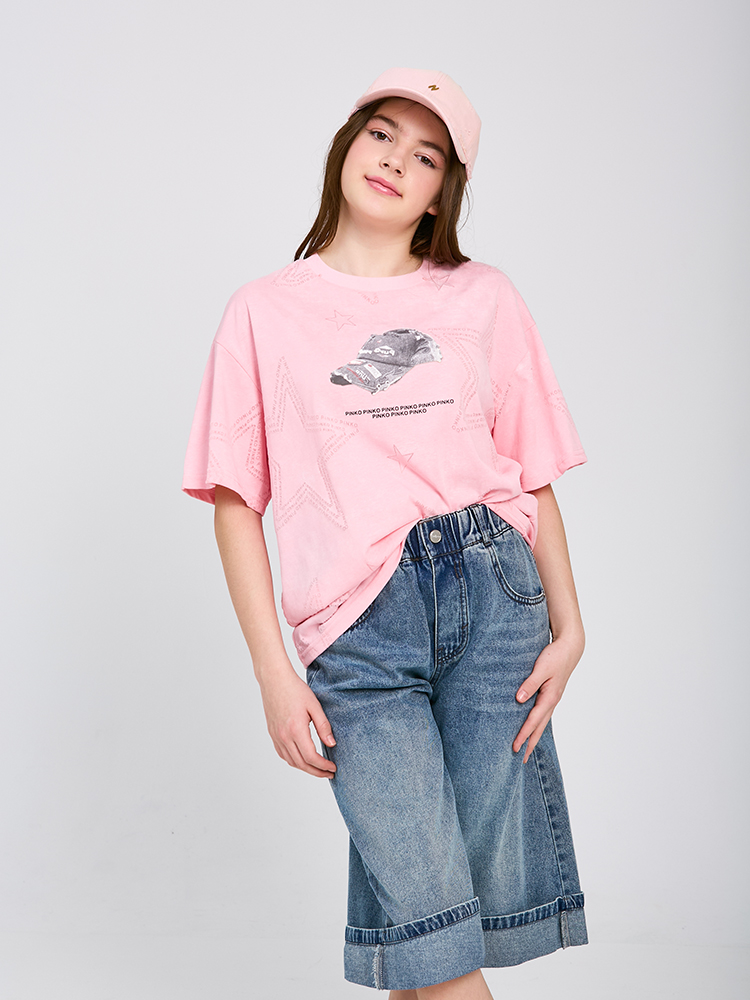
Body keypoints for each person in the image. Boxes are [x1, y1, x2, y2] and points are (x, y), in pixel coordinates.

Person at [183, 68, 588, 999]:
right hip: (356, 627)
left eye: (427, 156)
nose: (397, 161)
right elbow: (236, 503)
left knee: (429, 946)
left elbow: (530, 473)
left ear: (443, 192)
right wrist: (273, 672)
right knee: (435, 935)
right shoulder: (263, 311)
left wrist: (572, 626)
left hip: (496, 602)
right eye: (381, 135)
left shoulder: (485, 297)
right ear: (347, 146)